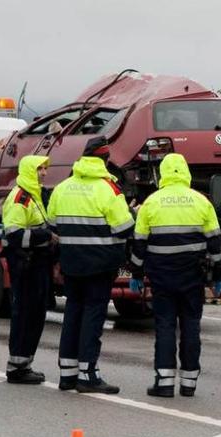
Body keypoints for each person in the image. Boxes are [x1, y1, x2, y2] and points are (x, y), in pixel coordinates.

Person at [129, 153, 221, 398]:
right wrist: (217, 277)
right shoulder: (202, 202)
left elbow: (138, 245)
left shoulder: (151, 202)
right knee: (191, 326)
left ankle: (165, 382)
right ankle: (190, 383)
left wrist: (136, 273)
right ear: (186, 172)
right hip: (193, 276)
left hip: (162, 277)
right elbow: (215, 245)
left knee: (165, 326)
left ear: (162, 173)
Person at [48, 139, 134, 394]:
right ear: (105, 160)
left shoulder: (62, 188)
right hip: (100, 265)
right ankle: (88, 375)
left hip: (71, 263)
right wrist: (133, 213)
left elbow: (52, 226)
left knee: (73, 314)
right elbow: (124, 228)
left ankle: (67, 374)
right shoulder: (109, 189)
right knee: (93, 317)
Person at [1, 155, 57, 384]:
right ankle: (16, 367)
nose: (44, 172)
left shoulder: (34, 196)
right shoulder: (20, 199)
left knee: (34, 315)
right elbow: (14, 235)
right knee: (25, 316)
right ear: (28, 171)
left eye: (45, 168)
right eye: (40, 169)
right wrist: (45, 236)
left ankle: (24, 364)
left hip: (36, 266)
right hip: (26, 266)